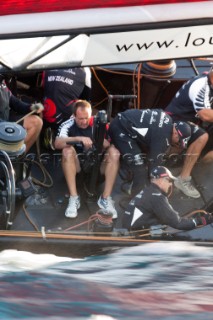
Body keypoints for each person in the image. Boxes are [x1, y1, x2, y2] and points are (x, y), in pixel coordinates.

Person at [109, 108, 204, 198]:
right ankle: (138, 200)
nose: (177, 144)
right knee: (140, 169)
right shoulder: (164, 138)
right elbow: (154, 168)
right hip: (120, 129)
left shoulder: (168, 119)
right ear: (175, 133)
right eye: (179, 142)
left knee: (142, 160)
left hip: (123, 120)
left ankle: (133, 183)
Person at [54, 99, 120, 219]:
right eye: (81, 119)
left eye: (87, 118)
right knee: (67, 151)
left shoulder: (99, 123)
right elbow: (57, 143)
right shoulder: (68, 124)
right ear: (74, 116)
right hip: (78, 169)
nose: (84, 122)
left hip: (98, 168)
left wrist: (101, 141)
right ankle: (74, 198)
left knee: (114, 153)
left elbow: (112, 144)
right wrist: (78, 138)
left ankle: (105, 198)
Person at [165, 68, 213, 196]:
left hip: (190, 122)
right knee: (201, 136)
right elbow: (205, 115)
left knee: (202, 135)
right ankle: (178, 176)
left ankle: (188, 175)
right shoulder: (201, 85)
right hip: (173, 120)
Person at [122, 166, 213, 231]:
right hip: (138, 236)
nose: (170, 184)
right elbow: (178, 223)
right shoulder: (156, 196)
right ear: (162, 180)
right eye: (169, 181)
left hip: (131, 230)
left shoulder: (147, 191)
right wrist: (203, 220)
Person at [0, 75, 43, 152]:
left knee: (37, 122)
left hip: (5, 120)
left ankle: (18, 158)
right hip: (2, 124)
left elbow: (14, 102)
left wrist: (31, 107)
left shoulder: (2, 83)